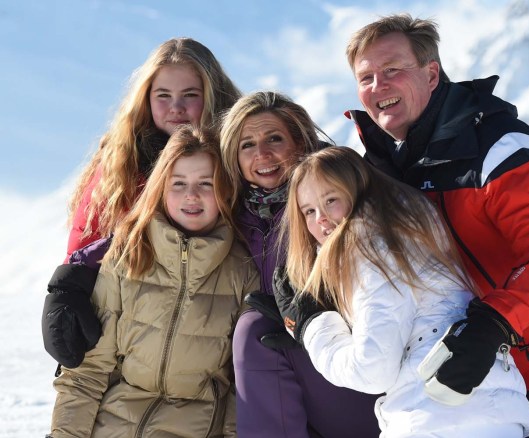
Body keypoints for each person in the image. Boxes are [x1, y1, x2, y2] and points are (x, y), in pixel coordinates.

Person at [343, 14, 529, 437]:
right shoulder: (381, 168)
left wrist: (494, 325)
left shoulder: (500, 145)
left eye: (392, 70)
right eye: (366, 78)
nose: (378, 86)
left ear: (431, 74)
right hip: (470, 364)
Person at [269, 146, 529, 437]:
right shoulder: (405, 228)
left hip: (438, 418)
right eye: (309, 211)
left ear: (356, 191)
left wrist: (312, 326)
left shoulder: (368, 247)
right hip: (486, 410)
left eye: (331, 200)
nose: (320, 218)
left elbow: (372, 370)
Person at [42, 37, 242, 368]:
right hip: (130, 322)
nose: (176, 107)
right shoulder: (122, 159)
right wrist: (69, 288)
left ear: (211, 95)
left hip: (211, 323)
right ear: (146, 99)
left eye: (189, 95)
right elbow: (91, 234)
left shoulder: (234, 154)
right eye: (163, 95)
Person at [48, 125, 259, 438]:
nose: (192, 195)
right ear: (160, 187)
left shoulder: (242, 271)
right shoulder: (129, 255)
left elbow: (240, 391)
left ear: (225, 190)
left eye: (206, 183)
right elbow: (88, 371)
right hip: (112, 425)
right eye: (179, 183)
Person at [219, 91, 381, 437]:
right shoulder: (232, 215)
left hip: (356, 367)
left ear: (301, 141)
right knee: (256, 328)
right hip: (286, 391)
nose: (262, 154)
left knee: (255, 329)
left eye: (274, 138)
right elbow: (154, 230)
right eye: (247, 144)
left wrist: (310, 316)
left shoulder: (335, 197)